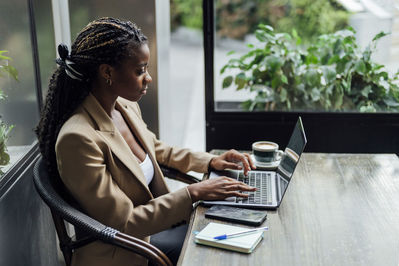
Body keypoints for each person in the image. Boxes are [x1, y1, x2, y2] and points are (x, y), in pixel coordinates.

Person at [35, 17, 256, 266]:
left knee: (240, 228)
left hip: (155, 229)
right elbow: (124, 222)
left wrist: (211, 161)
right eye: (140, 70)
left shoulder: (124, 107)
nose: (148, 78)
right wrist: (192, 193)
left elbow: (158, 150)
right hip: (124, 249)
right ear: (107, 72)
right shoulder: (77, 139)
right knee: (223, 253)